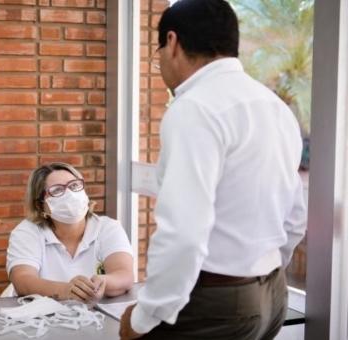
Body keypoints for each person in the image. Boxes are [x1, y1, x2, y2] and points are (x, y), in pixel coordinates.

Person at [119, 1, 307, 339]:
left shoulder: (194, 108)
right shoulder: (275, 108)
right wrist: (260, 272)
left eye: (158, 50)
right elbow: (295, 216)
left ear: (172, 42)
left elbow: (183, 232)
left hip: (216, 304)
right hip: (272, 295)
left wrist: (144, 316)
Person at [7, 162, 134, 303]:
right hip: (41, 319)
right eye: (57, 190)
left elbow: (125, 275)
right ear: (40, 205)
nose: (70, 194)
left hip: (95, 317)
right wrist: (67, 290)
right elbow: (23, 281)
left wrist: (102, 282)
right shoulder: (27, 232)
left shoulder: (108, 228)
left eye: (74, 185)